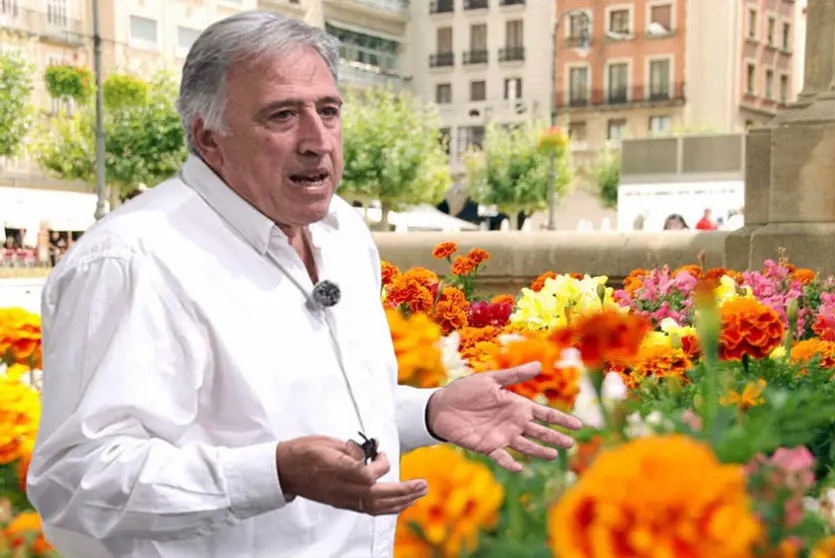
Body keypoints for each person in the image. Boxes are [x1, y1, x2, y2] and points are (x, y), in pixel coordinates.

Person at [27, 12, 581, 558]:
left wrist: (430, 412)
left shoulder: (340, 230)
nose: (317, 140)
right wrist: (275, 473)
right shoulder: (133, 260)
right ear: (208, 137)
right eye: (282, 115)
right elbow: (76, 478)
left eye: (329, 110)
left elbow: (321, 412)